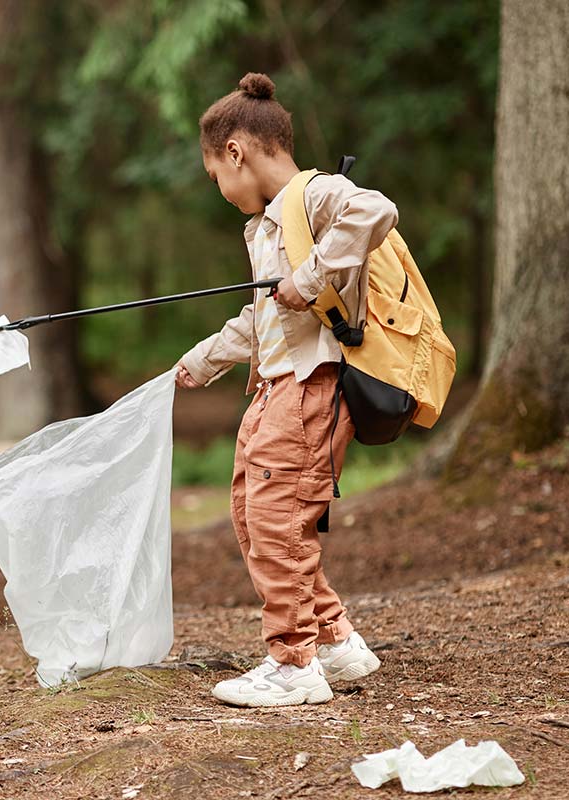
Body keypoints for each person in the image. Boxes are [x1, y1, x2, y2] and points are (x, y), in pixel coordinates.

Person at [175, 72, 390, 707]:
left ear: (236, 152)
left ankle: (293, 664)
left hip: (309, 389)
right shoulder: (267, 226)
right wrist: (203, 361)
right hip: (272, 390)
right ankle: (335, 643)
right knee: (254, 514)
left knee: (276, 520)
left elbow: (376, 210)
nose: (219, 190)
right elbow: (263, 316)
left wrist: (314, 271)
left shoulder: (314, 194)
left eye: (216, 175)